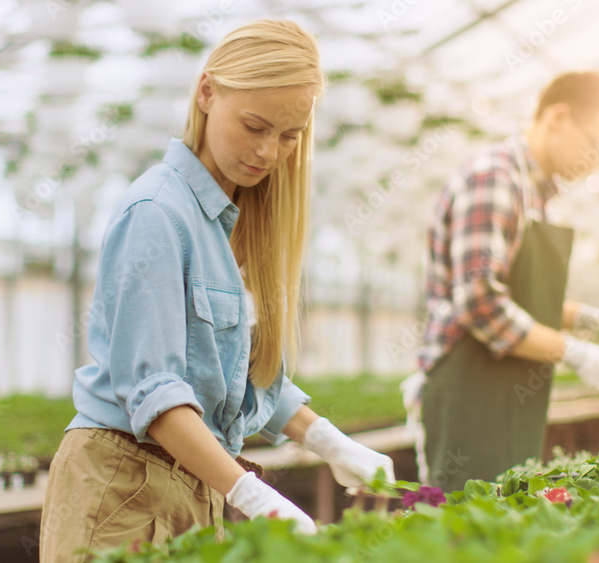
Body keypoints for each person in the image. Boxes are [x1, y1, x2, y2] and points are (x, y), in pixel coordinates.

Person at [39, 20, 394, 561]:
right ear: (207, 93)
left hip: (193, 484)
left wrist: (328, 440)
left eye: (289, 136)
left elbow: (229, 376)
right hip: (123, 487)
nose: (269, 152)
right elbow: (156, 396)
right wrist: (253, 494)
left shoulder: (227, 223)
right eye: (255, 125)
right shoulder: (157, 214)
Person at [411, 71, 599, 493]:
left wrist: (592, 321)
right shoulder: (496, 179)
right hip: (470, 394)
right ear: (558, 117)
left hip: (504, 394)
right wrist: (573, 352)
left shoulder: (535, 194)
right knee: (466, 533)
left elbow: (522, 300)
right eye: (597, 144)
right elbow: (481, 304)